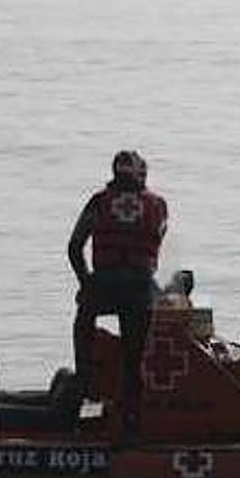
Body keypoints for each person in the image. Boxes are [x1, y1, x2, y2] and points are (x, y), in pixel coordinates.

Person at [68, 150, 168, 433]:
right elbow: (158, 238)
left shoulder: (99, 202)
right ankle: (131, 420)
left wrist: (85, 282)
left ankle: (85, 390)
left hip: (104, 283)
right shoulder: (158, 205)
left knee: (83, 324)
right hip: (139, 287)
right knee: (134, 358)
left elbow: (74, 247)